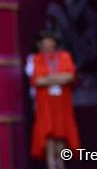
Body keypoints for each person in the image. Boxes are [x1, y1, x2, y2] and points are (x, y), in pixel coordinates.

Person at [30, 30, 80, 169]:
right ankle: (51, 165)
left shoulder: (64, 56)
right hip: (46, 105)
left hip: (61, 105)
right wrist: (58, 77)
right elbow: (38, 81)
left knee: (61, 136)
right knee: (49, 138)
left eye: (50, 40)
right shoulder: (37, 59)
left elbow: (70, 76)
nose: (47, 43)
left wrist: (49, 78)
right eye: (45, 40)